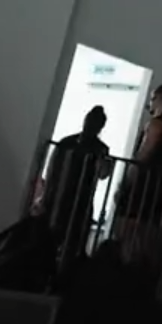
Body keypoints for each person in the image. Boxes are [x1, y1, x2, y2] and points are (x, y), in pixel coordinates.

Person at [116, 84, 162, 262]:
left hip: (141, 189)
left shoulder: (156, 124)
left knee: (127, 235)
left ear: (161, 100)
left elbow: (143, 155)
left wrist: (125, 184)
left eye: (153, 98)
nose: (150, 103)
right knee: (144, 241)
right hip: (158, 191)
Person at [41, 106, 113, 247]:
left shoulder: (94, 147)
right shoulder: (69, 143)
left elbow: (103, 174)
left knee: (69, 237)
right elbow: (52, 169)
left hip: (77, 196)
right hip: (64, 194)